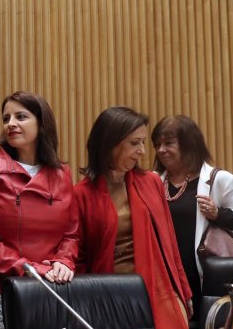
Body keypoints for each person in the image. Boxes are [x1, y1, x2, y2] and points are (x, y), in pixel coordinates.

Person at [0, 91, 78, 328]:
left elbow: (71, 234)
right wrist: (29, 268)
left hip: (44, 288)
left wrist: (64, 262)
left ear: (41, 123)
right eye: (6, 119)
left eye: (21, 116)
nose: (11, 124)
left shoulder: (62, 174)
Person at [74, 106, 192, 328]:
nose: (143, 151)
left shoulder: (152, 182)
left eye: (143, 142)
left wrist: (184, 291)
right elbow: (79, 259)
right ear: (110, 143)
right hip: (110, 298)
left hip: (160, 291)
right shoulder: (81, 194)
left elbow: (170, 244)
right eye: (134, 143)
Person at [151, 115, 233, 324]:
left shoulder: (218, 180)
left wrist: (218, 214)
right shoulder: (152, 180)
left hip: (200, 275)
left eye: (168, 143)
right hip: (165, 276)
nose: (161, 150)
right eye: (157, 144)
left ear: (189, 144)